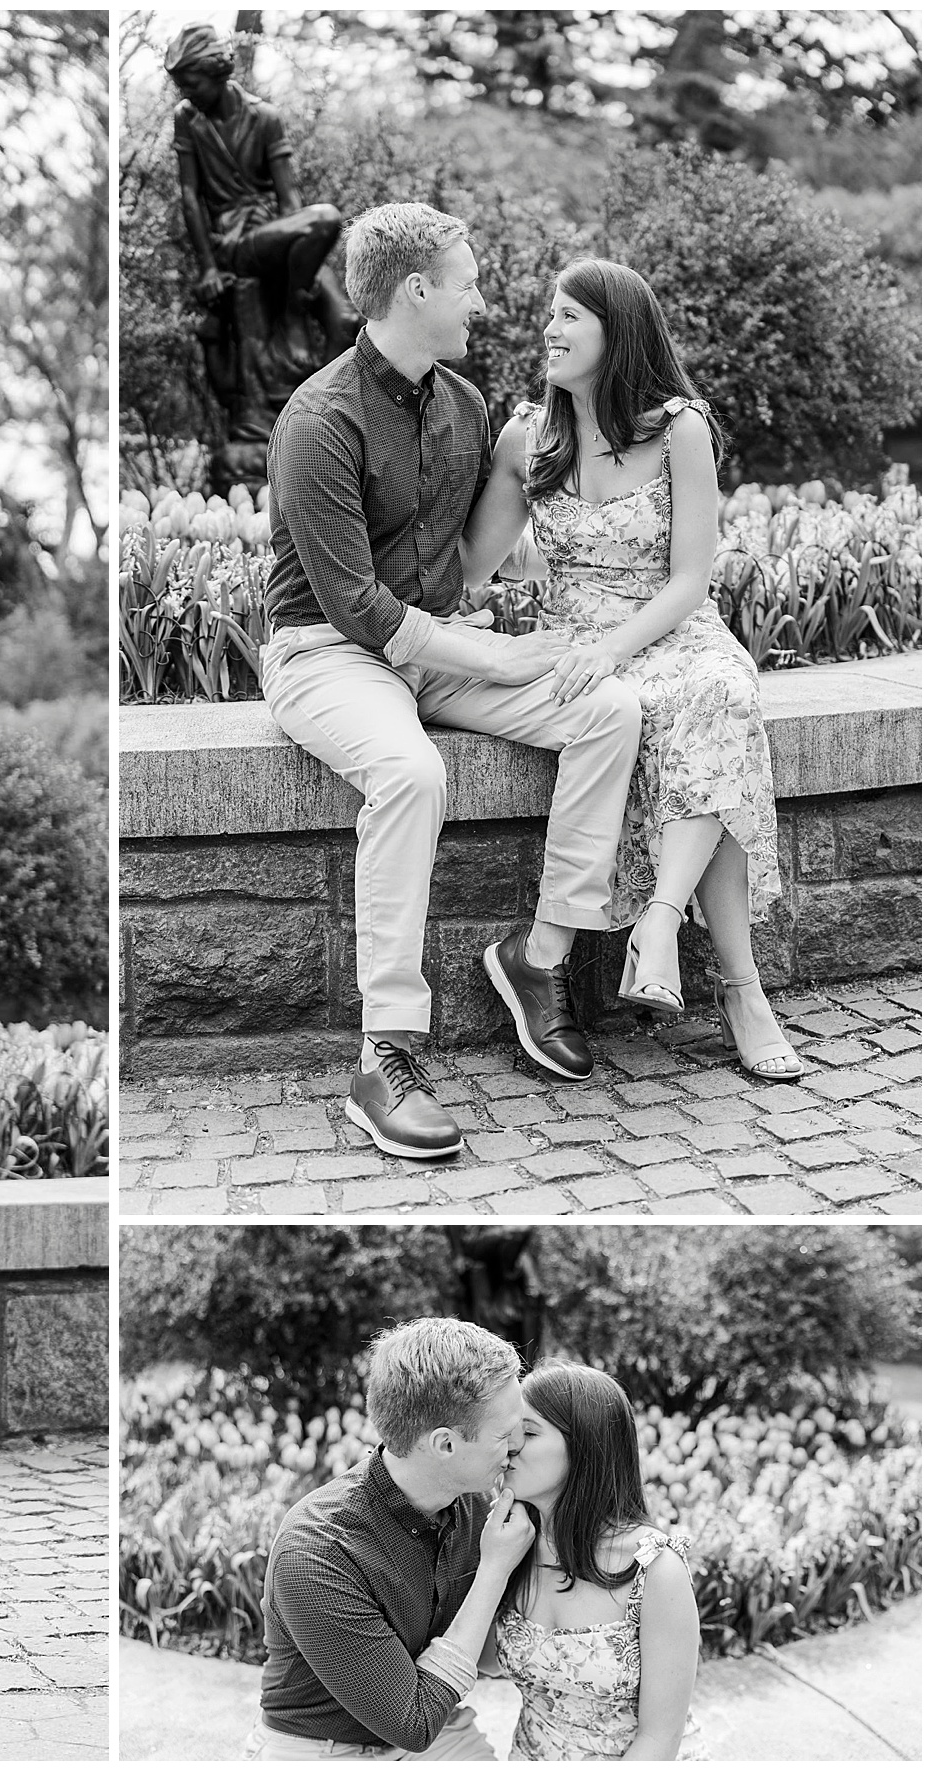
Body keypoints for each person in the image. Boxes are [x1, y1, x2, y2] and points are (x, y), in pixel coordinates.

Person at [260, 202, 643, 1162]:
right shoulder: (319, 420)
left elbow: (469, 565)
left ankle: (539, 955)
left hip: (435, 651)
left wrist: (541, 535)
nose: (481, 298)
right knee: (412, 773)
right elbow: (358, 607)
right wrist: (499, 655)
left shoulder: (470, 408)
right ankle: (383, 1052)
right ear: (417, 290)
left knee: (610, 711)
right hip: (327, 656)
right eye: (467, 281)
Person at [461, 257, 801, 1079]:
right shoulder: (525, 437)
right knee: (670, 720)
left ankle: (659, 923)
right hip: (578, 638)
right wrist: (514, 560)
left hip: (670, 629)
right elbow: (473, 566)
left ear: (620, 332)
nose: (550, 327)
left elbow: (691, 579)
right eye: (550, 312)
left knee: (718, 692)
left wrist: (617, 646)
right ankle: (735, 984)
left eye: (570, 315)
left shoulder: (679, 428)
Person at [244, 1317, 536, 1760]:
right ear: (444, 1444)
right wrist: (494, 1569)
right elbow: (411, 1722)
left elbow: (490, 1655)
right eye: (504, 1434)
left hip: (442, 1731)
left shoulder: (475, 1503)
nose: (518, 1443)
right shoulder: (317, 1551)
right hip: (321, 1747)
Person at [493, 1364, 702, 1758]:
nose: (509, 1447)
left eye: (529, 1432)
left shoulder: (656, 1569)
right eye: (508, 1431)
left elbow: (659, 1739)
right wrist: (493, 1567)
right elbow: (485, 1665)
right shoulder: (515, 1545)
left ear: (585, 1447)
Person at [165, 24, 358, 430]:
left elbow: (290, 201)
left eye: (192, 83)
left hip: (274, 233)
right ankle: (290, 313)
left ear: (218, 73)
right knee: (323, 217)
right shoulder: (188, 119)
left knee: (343, 319)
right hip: (233, 241)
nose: (186, 93)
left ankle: (311, 416)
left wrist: (297, 261)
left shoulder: (265, 117)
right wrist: (208, 267)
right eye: (180, 85)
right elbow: (190, 197)